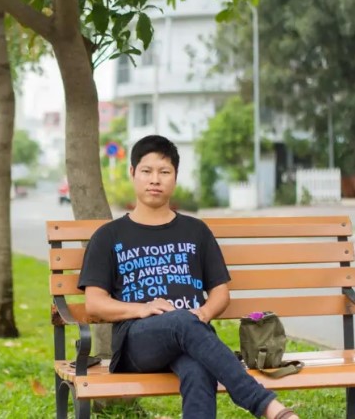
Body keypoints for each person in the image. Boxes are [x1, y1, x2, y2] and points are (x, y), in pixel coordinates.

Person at [77, 135, 298, 419]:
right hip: (138, 342)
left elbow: (220, 292)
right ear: (132, 173)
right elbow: (95, 303)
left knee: (198, 368)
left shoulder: (196, 231)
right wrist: (142, 309)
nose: (155, 180)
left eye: (164, 172)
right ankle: (268, 407)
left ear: (175, 177)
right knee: (182, 321)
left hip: (192, 336)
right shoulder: (109, 236)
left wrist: (203, 314)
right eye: (146, 171)